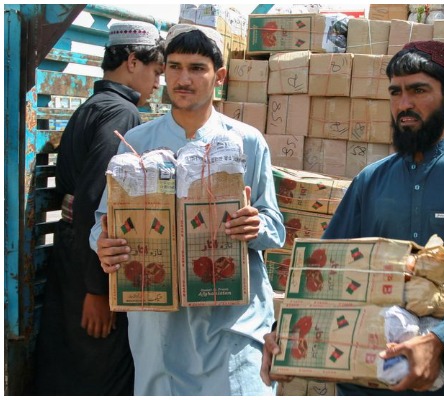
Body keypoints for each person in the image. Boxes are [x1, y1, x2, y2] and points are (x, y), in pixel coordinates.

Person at [260, 40, 444, 395]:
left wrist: (439, 342)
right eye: (396, 92)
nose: (404, 105)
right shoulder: (371, 181)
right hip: (370, 377)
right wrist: (285, 332)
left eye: (419, 91)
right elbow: (324, 270)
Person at [90, 24, 285, 396]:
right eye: (175, 67)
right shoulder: (136, 144)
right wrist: (104, 244)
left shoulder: (246, 141)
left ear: (219, 77)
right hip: (160, 326)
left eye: (197, 68)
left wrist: (253, 224)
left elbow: (275, 226)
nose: (184, 78)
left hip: (232, 325)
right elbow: (103, 222)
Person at [33, 20, 164, 396]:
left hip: (72, 248)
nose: (158, 83)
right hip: (89, 259)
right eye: (156, 72)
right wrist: (99, 290)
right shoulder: (122, 114)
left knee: (67, 362)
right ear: (133, 61)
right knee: (99, 369)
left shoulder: (92, 106)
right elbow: (97, 200)